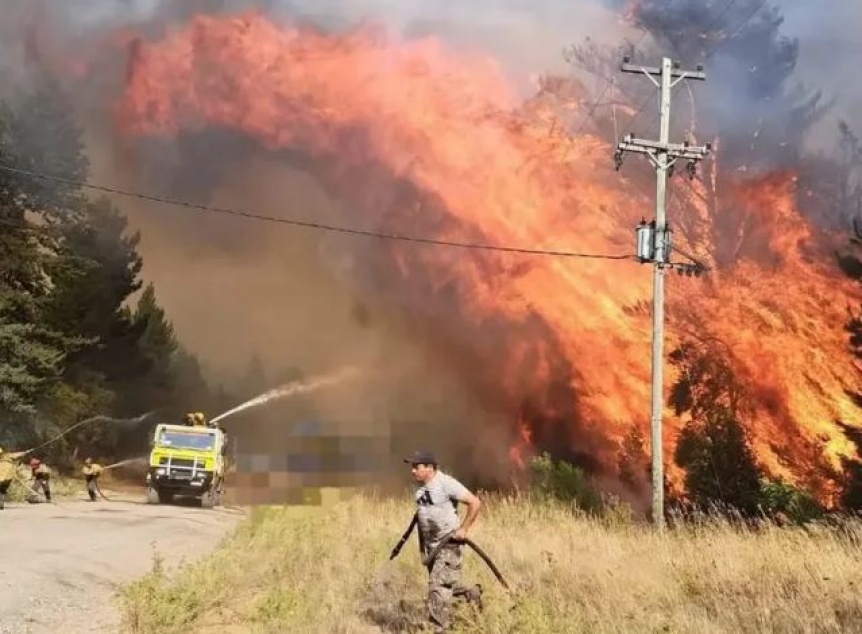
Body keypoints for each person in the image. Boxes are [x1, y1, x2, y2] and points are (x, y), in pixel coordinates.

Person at [403, 449, 484, 633]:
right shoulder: (421, 488)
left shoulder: (446, 484)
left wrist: (463, 529)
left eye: (417, 467)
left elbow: (475, 502)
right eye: (412, 467)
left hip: (448, 545)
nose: (413, 470)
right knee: (448, 585)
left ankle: (440, 629)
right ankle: (472, 593)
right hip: (432, 548)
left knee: (437, 587)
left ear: (430, 468)